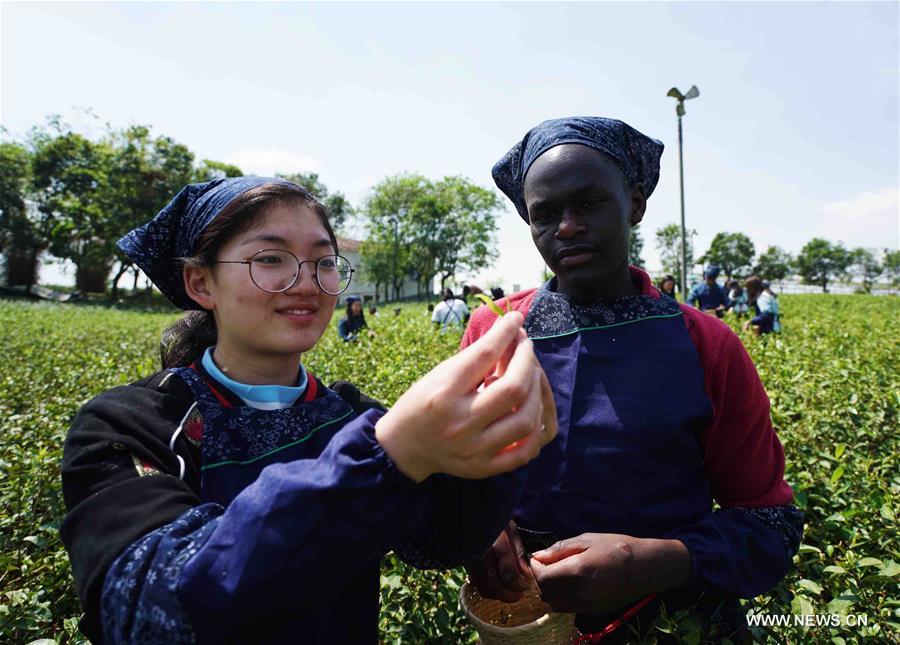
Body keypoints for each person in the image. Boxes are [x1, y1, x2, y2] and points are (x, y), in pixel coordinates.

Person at [59, 177, 558, 644]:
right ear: (201, 283)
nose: (306, 283)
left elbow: (436, 542)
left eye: (323, 262)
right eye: (270, 258)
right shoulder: (129, 425)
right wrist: (387, 458)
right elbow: (148, 609)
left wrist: (494, 452)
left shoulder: (348, 414)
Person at [462, 117, 801, 641]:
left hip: (676, 621)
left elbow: (769, 525)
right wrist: (478, 528)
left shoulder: (704, 342)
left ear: (636, 204)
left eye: (589, 203)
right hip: (527, 620)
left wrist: (657, 561)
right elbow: (458, 472)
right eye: (544, 214)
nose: (566, 227)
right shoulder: (495, 330)